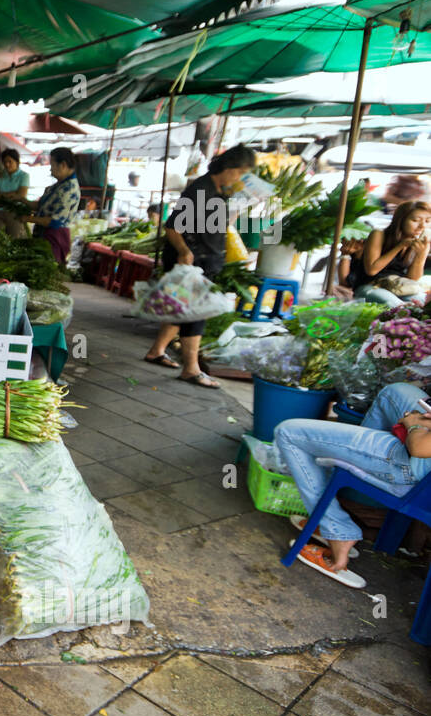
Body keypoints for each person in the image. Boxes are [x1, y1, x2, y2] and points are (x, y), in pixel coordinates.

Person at [276, 382, 431, 588]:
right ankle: (348, 476)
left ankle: (338, 529)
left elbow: (420, 447)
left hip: (411, 469)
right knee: (392, 393)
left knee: (287, 432)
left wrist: (416, 424)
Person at [142, 144, 258, 388]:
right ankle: (191, 369)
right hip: (193, 260)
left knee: (181, 309)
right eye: (241, 173)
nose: (241, 179)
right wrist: (185, 251)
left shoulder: (220, 192)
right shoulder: (200, 190)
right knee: (196, 314)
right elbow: (173, 227)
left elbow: (222, 224)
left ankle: (156, 350)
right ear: (229, 168)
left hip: (207, 260)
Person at [351, 200, 431, 307]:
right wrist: (399, 246)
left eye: (427, 221)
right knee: (398, 307)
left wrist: (422, 254)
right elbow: (371, 270)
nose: (422, 226)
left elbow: (412, 279)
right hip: (370, 287)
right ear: (401, 220)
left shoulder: (417, 243)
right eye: (415, 220)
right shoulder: (379, 234)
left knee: (425, 304)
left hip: (398, 288)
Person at [23, 146, 79, 263]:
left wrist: (28, 219)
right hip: (43, 234)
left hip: (55, 237)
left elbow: (54, 221)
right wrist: (22, 200)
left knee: (48, 266)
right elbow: (41, 206)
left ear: (62, 165)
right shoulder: (58, 186)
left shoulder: (69, 189)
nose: (50, 170)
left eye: (52, 165)